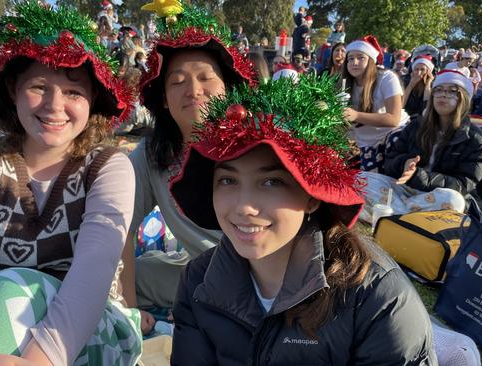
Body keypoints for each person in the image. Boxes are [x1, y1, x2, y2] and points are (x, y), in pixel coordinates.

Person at [0, 3, 142, 365]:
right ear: (13, 89)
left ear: (92, 100)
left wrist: (38, 360)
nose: (55, 106)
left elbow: (92, 279)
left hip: (92, 330)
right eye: (40, 86)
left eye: (73, 92)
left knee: (9, 290)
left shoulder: (108, 168)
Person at [168, 77, 437, 365]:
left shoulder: (376, 298)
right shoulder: (198, 283)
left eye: (271, 182)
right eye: (227, 180)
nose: (244, 206)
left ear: (313, 196)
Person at [122, 0, 257, 335]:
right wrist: (126, 310)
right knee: (136, 272)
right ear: (165, 99)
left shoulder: (257, 141)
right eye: (178, 80)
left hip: (268, 276)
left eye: (205, 78)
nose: (193, 90)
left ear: (227, 87)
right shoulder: (153, 153)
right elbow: (119, 225)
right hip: (204, 272)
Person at [362, 70, 482, 217]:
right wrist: (404, 164)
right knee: (362, 179)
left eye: (452, 92)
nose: (443, 95)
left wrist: (419, 176)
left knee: (454, 201)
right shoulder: (416, 126)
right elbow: (391, 160)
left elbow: (463, 184)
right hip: (406, 189)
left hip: (438, 196)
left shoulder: (477, 140)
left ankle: (391, 215)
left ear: (464, 99)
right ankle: (407, 216)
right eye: (439, 90)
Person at [343, 35, 409, 172]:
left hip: (394, 135)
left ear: (371, 61)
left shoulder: (386, 77)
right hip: (366, 144)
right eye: (350, 58)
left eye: (360, 57)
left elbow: (394, 119)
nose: (354, 62)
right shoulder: (345, 84)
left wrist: (356, 115)